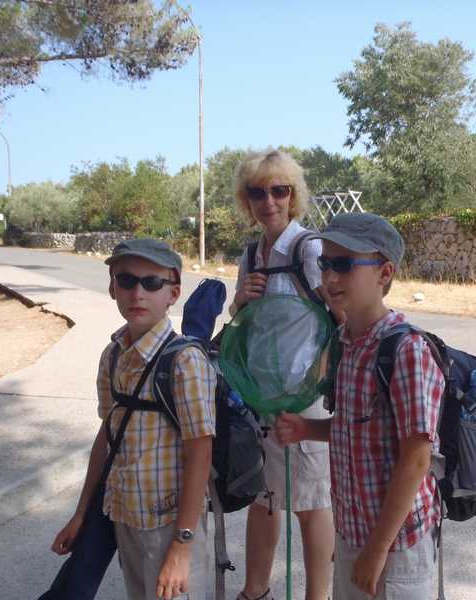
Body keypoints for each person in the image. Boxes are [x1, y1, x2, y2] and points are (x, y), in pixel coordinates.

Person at [275, 213, 444, 600]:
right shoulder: (346, 341)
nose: (330, 278)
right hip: (353, 534)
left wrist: (377, 549)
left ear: (384, 273)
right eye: (325, 263)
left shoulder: (406, 351)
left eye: (345, 264)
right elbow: (357, 429)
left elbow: (416, 459)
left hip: (396, 546)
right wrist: (308, 429)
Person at [50, 238, 215, 600]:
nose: (137, 293)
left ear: (173, 293)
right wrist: (81, 514)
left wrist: (182, 544)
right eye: (126, 281)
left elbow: (201, 453)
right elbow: (107, 436)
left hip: (170, 525)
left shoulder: (185, 362)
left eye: (151, 283)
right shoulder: (112, 356)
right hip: (125, 520)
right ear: (112, 287)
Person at [231, 149, 335, 600]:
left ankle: (317, 596)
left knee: (311, 502)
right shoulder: (250, 255)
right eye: (257, 192)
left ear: (293, 196)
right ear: (247, 199)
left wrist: (319, 381)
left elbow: (338, 314)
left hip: (305, 399)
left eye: (279, 190)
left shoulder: (309, 249)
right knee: (265, 499)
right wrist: (240, 302)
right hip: (261, 398)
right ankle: (255, 591)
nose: (268, 200)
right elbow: (239, 323)